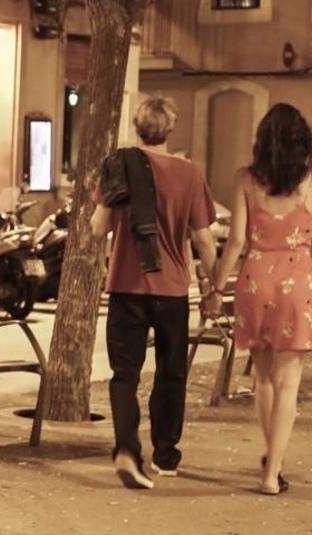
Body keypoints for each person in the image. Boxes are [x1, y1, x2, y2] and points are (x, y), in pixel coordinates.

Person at [209, 103, 312, 496]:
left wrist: (215, 289)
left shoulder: (245, 179)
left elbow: (237, 242)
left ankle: (270, 457)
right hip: (296, 283)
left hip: (254, 281)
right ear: (305, 141)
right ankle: (271, 471)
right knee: (288, 383)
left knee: (263, 377)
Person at [90, 96, 220, 489]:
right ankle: (166, 455)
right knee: (171, 372)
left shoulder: (120, 166)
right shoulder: (190, 174)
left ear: (136, 126)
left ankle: (127, 449)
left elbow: (98, 229)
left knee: (124, 374)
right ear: (170, 129)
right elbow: (205, 241)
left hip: (126, 285)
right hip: (173, 290)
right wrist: (214, 285)